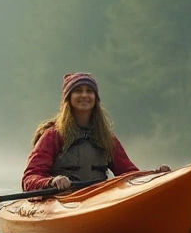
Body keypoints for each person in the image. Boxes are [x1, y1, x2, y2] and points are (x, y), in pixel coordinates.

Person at [22, 72, 170, 191]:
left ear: (95, 98)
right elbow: (29, 178)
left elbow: (129, 174)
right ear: (68, 99)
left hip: (95, 200)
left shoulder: (106, 138)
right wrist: (52, 181)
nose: (85, 95)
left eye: (89, 91)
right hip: (61, 200)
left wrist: (154, 176)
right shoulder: (53, 136)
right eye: (78, 91)